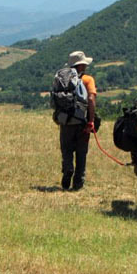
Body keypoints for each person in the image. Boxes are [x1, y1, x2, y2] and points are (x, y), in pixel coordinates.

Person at [59, 51, 97, 191]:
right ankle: (78, 182)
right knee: (81, 152)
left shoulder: (63, 79)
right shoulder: (88, 79)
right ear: (81, 65)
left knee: (66, 149)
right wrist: (91, 121)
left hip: (65, 121)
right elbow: (91, 99)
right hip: (82, 122)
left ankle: (68, 169)